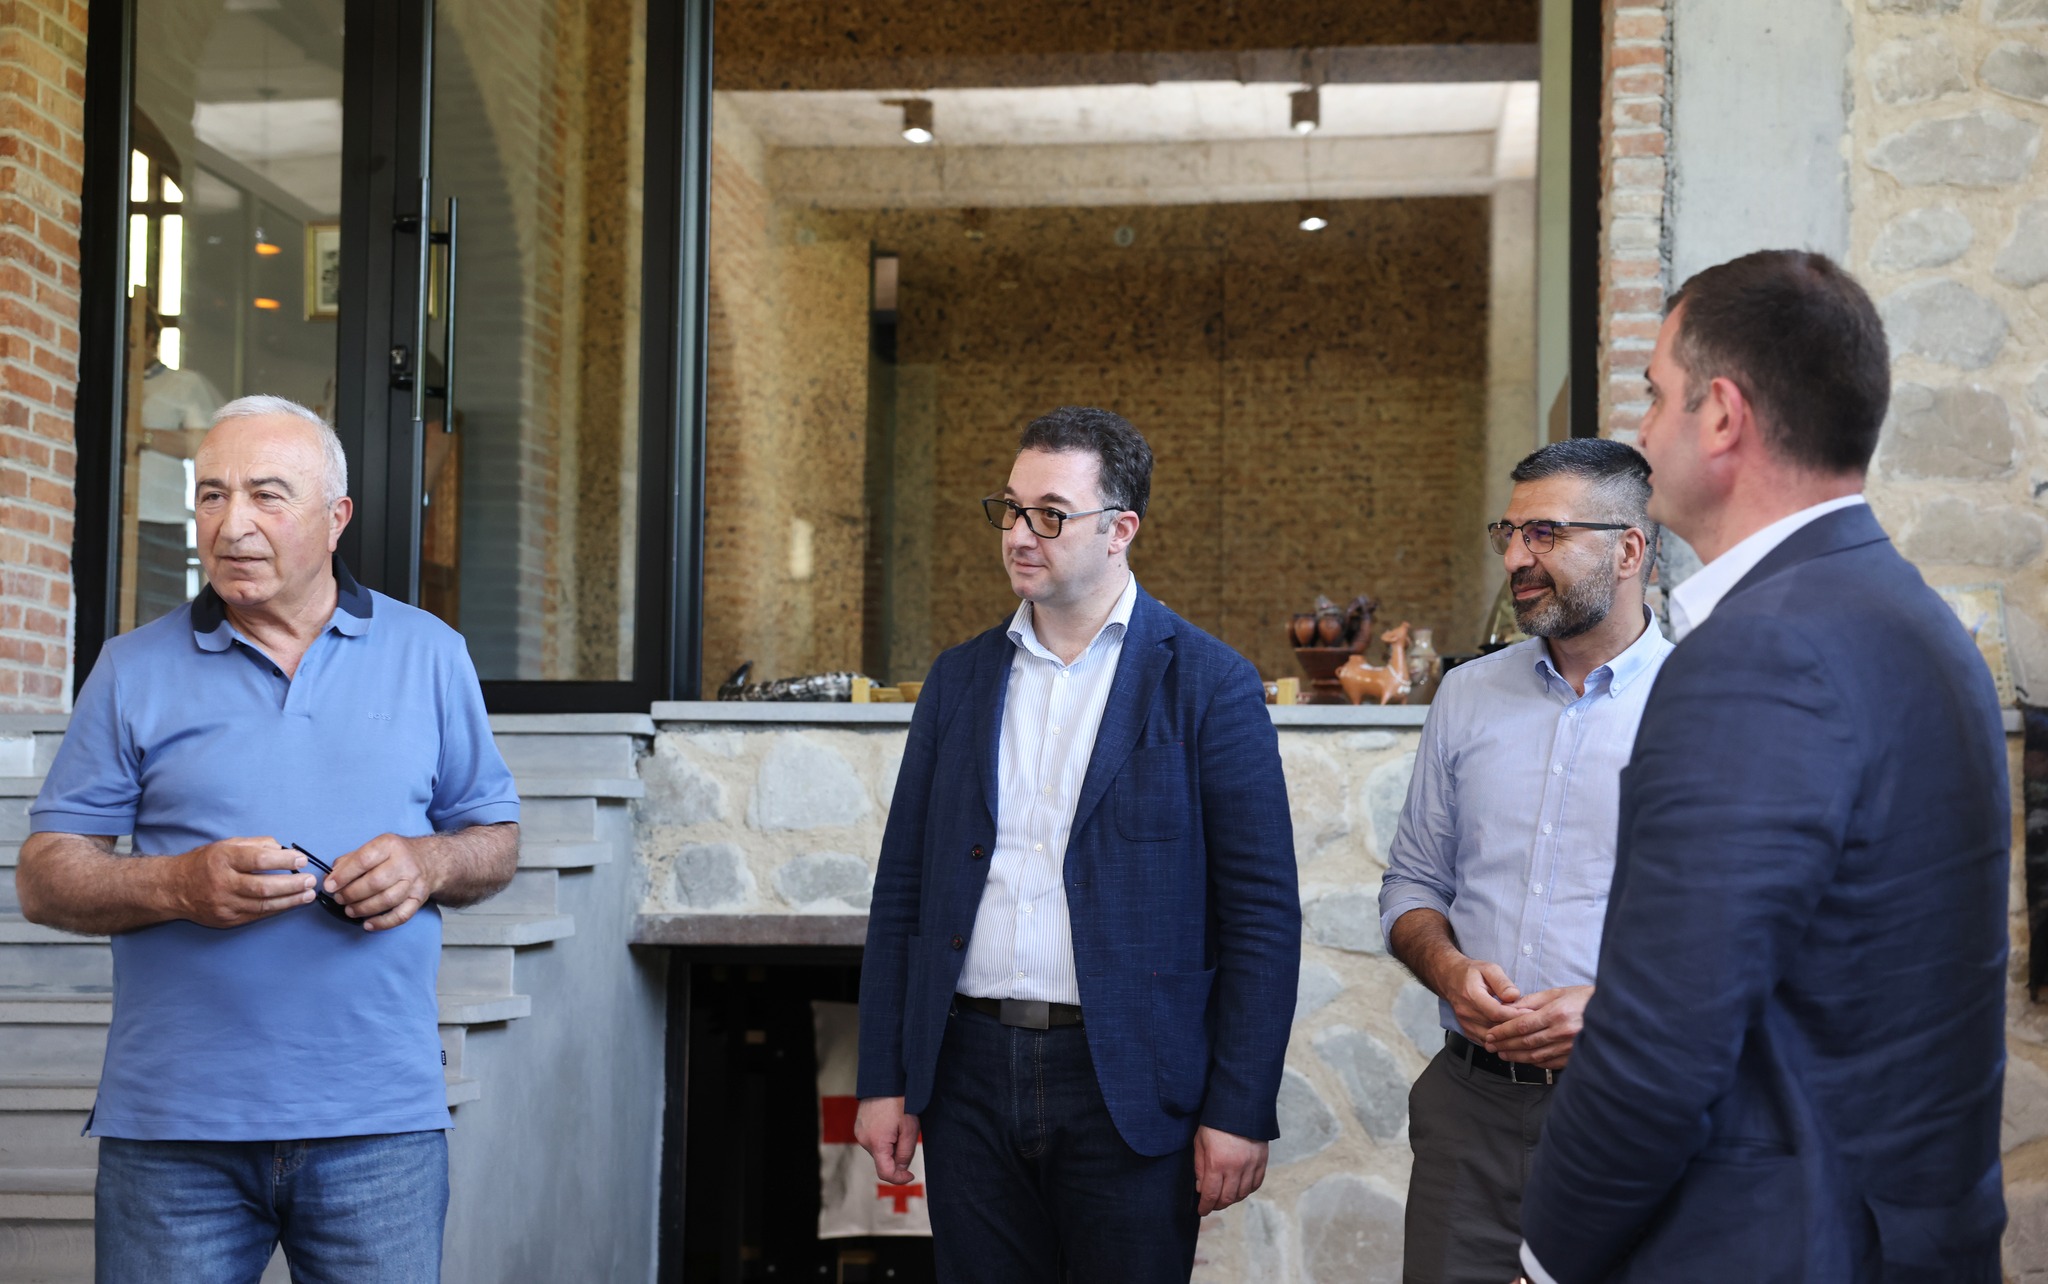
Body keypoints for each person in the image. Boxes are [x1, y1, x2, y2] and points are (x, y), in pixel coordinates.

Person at [1518, 251, 2011, 1283]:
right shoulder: (1917, 620)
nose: (1643, 431)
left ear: (1721, 415)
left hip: (1770, 1239)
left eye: (1656, 395)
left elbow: (1659, 1044)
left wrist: (1547, 1258)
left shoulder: (1760, 653)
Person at [17, 395, 522, 1282]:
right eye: (211, 495)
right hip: (175, 1134)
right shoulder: (130, 668)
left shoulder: (431, 653)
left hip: (378, 1127)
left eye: (266, 495)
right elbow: (44, 876)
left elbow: (496, 839)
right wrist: (177, 886)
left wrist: (429, 861)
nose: (232, 524)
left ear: (337, 518)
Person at [853, 406, 1300, 1283]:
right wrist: (884, 1077)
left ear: (1119, 529)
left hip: (1128, 1082)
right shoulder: (958, 679)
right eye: (1011, 509)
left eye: (1050, 515)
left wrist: (1240, 1108)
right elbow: (902, 890)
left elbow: (1260, 917)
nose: (1020, 534)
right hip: (966, 1075)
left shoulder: (1211, 684)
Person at [1379, 438, 1671, 1284]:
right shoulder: (1466, 694)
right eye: (1508, 533)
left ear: (1627, 550)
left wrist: (1614, 1010)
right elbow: (1413, 884)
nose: (1515, 558)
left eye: (1545, 533)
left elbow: (1748, 932)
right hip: (1466, 1115)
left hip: (1629, 1112)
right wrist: (1448, 970)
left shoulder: (1703, 701)